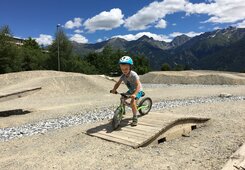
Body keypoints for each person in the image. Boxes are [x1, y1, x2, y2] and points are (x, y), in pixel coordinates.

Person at [110, 56, 144, 126]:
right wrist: (114, 89)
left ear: (130, 67)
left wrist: (135, 94)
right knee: (122, 97)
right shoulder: (123, 76)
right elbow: (118, 83)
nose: (124, 70)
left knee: (132, 102)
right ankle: (122, 111)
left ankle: (135, 117)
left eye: (126, 69)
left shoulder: (134, 75)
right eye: (122, 69)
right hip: (131, 90)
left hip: (138, 90)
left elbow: (138, 85)